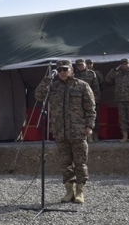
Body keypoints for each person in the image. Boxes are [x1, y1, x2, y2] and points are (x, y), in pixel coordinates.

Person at [34, 60, 95, 203]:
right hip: (60, 131)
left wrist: (89, 126)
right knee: (65, 163)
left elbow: (90, 108)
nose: (62, 72)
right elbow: (38, 95)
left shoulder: (81, 86)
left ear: (71, 70)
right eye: (59, 70)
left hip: (77, 130)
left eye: (65, 69)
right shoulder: (53, 87)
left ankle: (80, 191)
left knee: (80, 162)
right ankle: (69, 191)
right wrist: (47, 79)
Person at [105, 58, 129, 142]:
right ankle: (125, 137)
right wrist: (115, 69)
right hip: (121, 100)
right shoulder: (117, 74)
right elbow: (107, 80)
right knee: (123, 119)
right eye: (122, 64)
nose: (124, 65)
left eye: (126, 63)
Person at [74, 59, 101, 142]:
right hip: (78, 100)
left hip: (90, 99)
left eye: (82, 65)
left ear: (85, 65)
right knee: (80, 118)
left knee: (93, 118)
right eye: (78, 65)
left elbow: (96, 87)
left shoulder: (91, 73)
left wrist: (96, 99)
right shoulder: (74, 75)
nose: (80, 66)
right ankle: (85, 137)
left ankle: (94, 135)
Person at [85, 58, 103, 141]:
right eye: (87, 64)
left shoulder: (97, 73)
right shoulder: (79, 74)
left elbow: (101, 85)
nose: (88, 65)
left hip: (94, 99)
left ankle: (95, 134)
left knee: (95, 117)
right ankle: (88, 136)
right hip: (83, 100)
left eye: (90, 64)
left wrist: (96, 98)